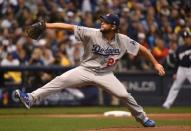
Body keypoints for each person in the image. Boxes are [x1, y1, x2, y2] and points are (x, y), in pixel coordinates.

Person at [15, 13, 165, 127]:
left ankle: (143, 118)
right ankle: (31, 98)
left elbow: (143, 49)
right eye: (102, 20)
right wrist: (47, 25)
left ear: (113, 26)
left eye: (105, 22)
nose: (101, 22)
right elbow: (68, 27)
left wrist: (155, 64)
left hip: (105, 74)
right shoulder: (91, 33)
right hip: (85, 70)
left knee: (124, 95)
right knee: (60, 80)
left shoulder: (123, 40)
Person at [163, 29, 191, 109]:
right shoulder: (180, 49)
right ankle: (167, 104)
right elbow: (177, 62)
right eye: (185, 37)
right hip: (181, 69)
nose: (186, 39)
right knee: (175, 87)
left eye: (187, 37)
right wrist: (175, 73)